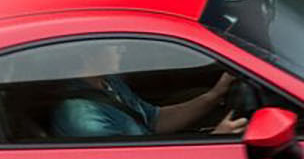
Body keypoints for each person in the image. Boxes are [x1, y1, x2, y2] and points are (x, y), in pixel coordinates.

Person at [48, 42, 248, 141]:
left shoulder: (108, 82)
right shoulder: (83, 118)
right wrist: (217, 139)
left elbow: (154, 121)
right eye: (111, 45)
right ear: (86, 54)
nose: (120, 49)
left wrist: (213, 96)